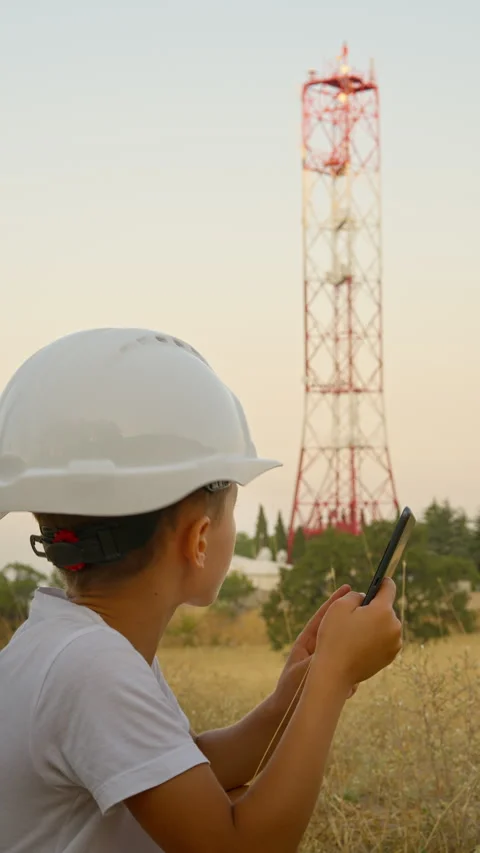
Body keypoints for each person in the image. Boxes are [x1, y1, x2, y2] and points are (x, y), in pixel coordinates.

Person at [0, 327, 402, 853]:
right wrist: (330, 677)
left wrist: (288, 703)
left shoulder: (71, 648)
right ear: (201, 538)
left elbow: (186, 770)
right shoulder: (95, 668)